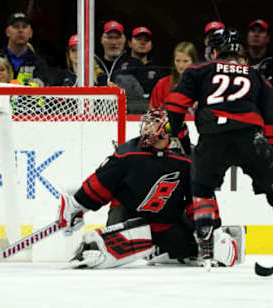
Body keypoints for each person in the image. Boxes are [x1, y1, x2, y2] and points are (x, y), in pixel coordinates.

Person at [58, 108, 241, 269]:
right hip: (128, 216)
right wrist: (77, 205)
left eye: (154, 124)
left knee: (192, 247)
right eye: (148, 123)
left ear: (168, 131)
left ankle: (163, 251)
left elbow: (199, 199)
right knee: (113, 243)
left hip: (166, 223)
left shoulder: (188, 161)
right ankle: (99, 248)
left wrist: (212, 231)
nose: (147, 128)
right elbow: (101, 184)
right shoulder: (128, 153)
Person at [165, 27, 273, 264]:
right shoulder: (256, 75)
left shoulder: (199, 69)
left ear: (214, 53)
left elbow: (174, 105)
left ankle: (206, 240)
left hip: (214, 136)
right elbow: (270, 117)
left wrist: (179, 134)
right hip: (251, 136)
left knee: (201, 187)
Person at [0, 12, 50, 87]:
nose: (20, 30)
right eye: (16, 26)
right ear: (7, 32)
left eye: (24, 26)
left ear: (31, 33)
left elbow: (42, 88)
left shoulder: (39, 63)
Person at [94, 20, 147, 113]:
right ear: (101, 40)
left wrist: (122, 92)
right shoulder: (92, 64)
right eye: (109, 37)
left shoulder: (136, 64)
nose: (114, 42)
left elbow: (143, 100)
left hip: (128, 118)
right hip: (95, 117)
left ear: (124, 40)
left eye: (118, 37)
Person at [149, 42, 199, 109]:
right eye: (177, 61)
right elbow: (153, 111)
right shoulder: (162, 84)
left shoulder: (202, 84)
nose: (181, 65)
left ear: (193, 61)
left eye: (185, 61)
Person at [128, 26, 164, 98]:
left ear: (151, 45)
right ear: (129, 43)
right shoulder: (121, 66)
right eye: (138, 39)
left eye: (146, 40)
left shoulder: (159, 70)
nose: (142, 42)